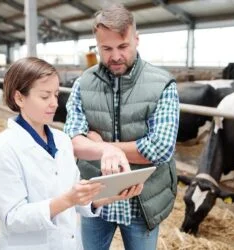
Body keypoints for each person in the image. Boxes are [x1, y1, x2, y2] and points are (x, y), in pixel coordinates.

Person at [0, 57, 143, 250]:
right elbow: (13, 218)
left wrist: (109, 196)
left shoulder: (62, 140)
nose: (54, 103)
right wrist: (67, 200)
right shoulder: (1, 149)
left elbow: (75, 199)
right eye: (44, 96)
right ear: (19, 98)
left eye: (56, 95)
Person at [64, 4, 180, 250]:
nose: (115, 56)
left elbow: (159, 149)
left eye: (123, 46)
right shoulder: (83, 84)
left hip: (143, 199)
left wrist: (101, 145)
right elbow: (73, 141)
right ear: (97, 45)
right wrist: (105, 151)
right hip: (96, 197)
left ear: (136, 40)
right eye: (106, 48)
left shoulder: (163, 84)